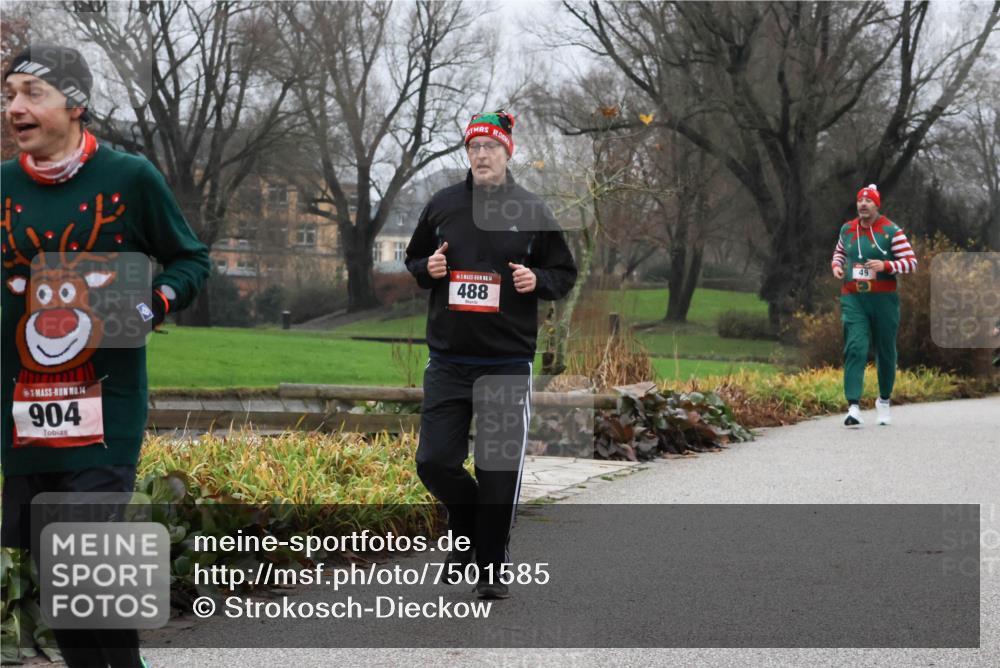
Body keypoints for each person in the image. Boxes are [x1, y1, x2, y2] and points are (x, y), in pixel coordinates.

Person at [1, 44, 210, 667]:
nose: (14, 107)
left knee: (82, 557)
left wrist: (157, 300)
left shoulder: (129, 179)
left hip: (104, 408)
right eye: (8, 94)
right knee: (57, 577)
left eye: (32, 93)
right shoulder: (2, 186)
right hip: (24, 411)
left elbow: (190, 259)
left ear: (76, 104)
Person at [405, 110, 577, 599]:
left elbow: (563, 273)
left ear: (507, 153)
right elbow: (414, 258)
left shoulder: (532, 210)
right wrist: (428, 268)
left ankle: (491, 565)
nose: (481, 155)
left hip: (506, 363)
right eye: (474, 147)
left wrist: (536, 279)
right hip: (449, 361)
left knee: (498, 472)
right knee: (434, 462)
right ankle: (466, 518)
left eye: (490, 147)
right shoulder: (442, 204)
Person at [830, 184, 917, 428]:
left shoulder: (891, 231)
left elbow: (911, 263)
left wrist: (886, 266)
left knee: (885, 350)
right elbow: (839, 253)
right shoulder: (847, 229)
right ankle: (853, 407)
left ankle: (884, 401)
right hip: (854, 298)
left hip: (883, 300)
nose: (863, 204)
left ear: (877, 205)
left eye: (868, 201)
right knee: (855, 347)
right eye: (860, 201)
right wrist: (836, 266)